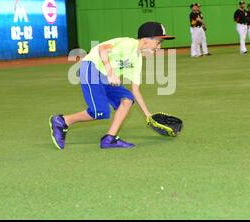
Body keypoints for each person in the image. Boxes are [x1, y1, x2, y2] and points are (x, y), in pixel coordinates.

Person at [49, 21, 175, 150]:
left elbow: (135, 90)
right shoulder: (128, 44)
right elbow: (102, 49)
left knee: (127, 99)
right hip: (91, 68)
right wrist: (110, 72)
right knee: (100, 112)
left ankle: (109, 138)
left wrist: (148, 115)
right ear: (146, 40)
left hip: (104, 76)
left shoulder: (137, 60)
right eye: (158, 42)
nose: (159, 47)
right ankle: (63, 120)